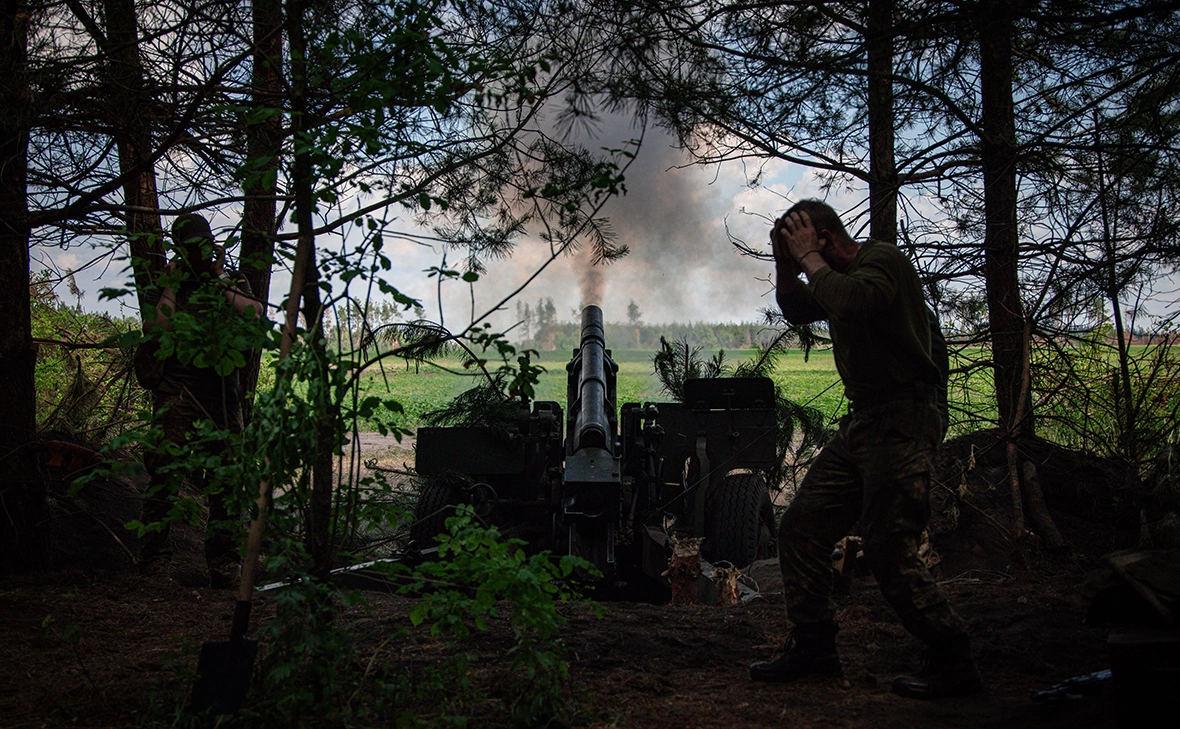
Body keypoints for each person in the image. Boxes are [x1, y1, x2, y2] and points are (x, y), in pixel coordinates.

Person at [749, 200, 981, 699]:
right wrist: (786, 266)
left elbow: (853, 301)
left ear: (826, 239)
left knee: (887, 546)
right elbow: (797, 309)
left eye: (802, 246)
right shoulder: (832, 277)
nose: (801, 257)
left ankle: (952, 655)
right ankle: (814, 647)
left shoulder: (882, 263)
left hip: (902, 420)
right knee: (802, 529)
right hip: (863, 424)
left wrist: (809, 259)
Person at [139, 214, 262, 588]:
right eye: (191, 249)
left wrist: (219, 280)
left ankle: (224, 565)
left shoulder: (230, 280)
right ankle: (153, 562)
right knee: (164, 478)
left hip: (222, 398)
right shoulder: (164, 287)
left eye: (203, 247)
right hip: (177, 394)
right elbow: (157, 332)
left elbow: (254, 316)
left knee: (227, 483)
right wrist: (174, 286)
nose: (198, 254)